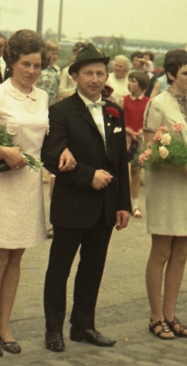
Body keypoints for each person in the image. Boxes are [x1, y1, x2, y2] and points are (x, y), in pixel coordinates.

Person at [0, 29, 64, 357]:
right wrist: (2, 151)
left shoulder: (44, 98)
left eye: (38, 66)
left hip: (28, 185)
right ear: (11, 62)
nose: (32, 72)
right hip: (0, 185)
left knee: (17, 257)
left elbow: (45, 143)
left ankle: (5, 323)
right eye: (26, 64)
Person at [41, 44, 131, 352]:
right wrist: (87, 176)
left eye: (100, 73)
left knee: (93, 268)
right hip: (72, 204)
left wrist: (123, 204)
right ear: (76, 76)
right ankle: (53, 329)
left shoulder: (114, 111)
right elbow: (52, 156)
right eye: (88, 73)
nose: (95, 79)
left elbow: (120, 162)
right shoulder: (61, 111)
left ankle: (84, 325)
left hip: (105, 207)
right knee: (60, 269)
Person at [143, 50, 187, 339]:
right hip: (167, 184)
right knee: (162, 251)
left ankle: (170, 313)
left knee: (182, 252)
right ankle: (155, 316)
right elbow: (149, 148)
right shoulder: (157, 103)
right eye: (185, 73)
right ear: (170, 74)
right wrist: (182, 166)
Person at [119, 70, 150, 218]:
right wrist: (128, 131)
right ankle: (120, 204)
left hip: (139, 140)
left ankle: (135, 205)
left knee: (136, 173)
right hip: (124, 139)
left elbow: (148, 122)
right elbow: (118, 121)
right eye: (129, 80)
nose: (129, 83)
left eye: (133, 81)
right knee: (121, 172)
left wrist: (141, 132)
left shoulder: (148, 102)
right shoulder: (123, 100)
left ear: (141, 85)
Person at [37, 40, 61, 106]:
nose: (55, 56)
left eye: (57, 54)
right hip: (39, 103)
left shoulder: (57, 70)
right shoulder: (39, 68)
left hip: (52, 105)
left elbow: (58, 89)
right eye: (53, 54)